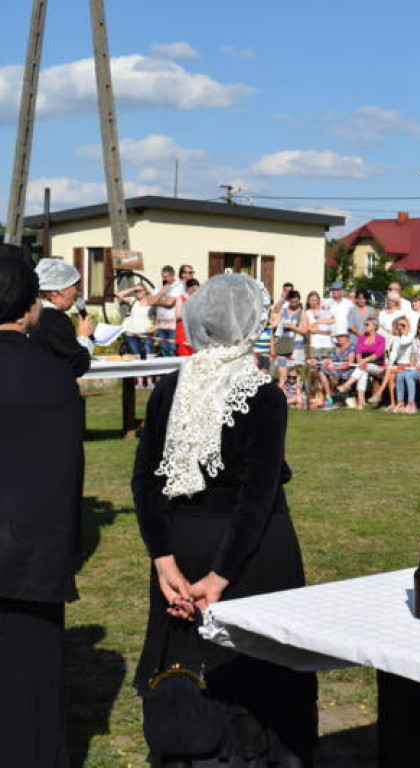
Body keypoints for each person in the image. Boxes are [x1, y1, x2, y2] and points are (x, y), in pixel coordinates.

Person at [131, 273, 317, 766]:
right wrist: (218, 577)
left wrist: (164, 560)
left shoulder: (170, 386)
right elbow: (257, 497)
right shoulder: (263, 393)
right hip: (249, 552)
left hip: (182, 542)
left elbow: (145, 483)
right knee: (255, 672)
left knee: (191, 669)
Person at [0, 256, 83, 766]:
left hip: (26, 547)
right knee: (28, 687)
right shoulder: (54, 376)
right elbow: (66, 472)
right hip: (32, 552)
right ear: (30, 306)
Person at [32, 257, 95, 376]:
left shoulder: (31, 315)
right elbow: (76, 365)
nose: (78, 292)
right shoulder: (55, 320)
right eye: (76, 286)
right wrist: (84, 336)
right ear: (56, 292)